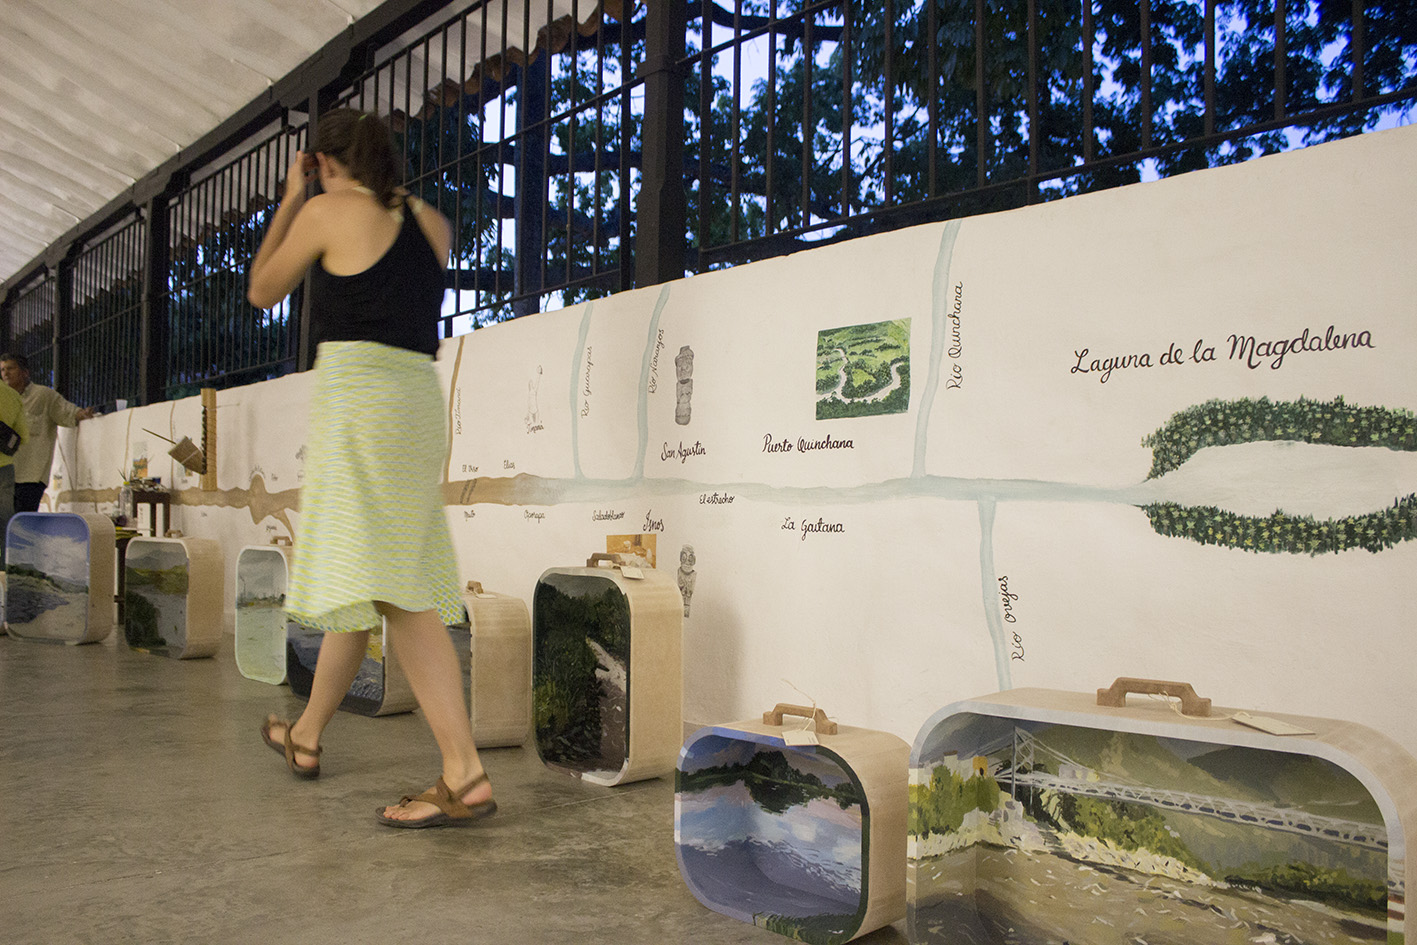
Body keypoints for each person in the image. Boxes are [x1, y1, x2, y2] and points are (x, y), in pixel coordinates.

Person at [247, 108, 492, 829]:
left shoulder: (324, 210)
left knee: (394, 587)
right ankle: (305, 735)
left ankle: (464, 771)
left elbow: (262, 289)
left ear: (323, 162)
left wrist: (290, 200)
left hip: (359, 403)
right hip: (417, 402)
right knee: (370, 574)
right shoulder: (430, 223)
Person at [0, 353, 95, 513]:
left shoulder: (43, 396)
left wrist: (82, 414)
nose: (6, 373)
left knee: (21, 521)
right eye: (2, 370)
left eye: (10, 368)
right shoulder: (4, 400)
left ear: (25, 372)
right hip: (5, 474)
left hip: (31, 477)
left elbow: (67, 412)